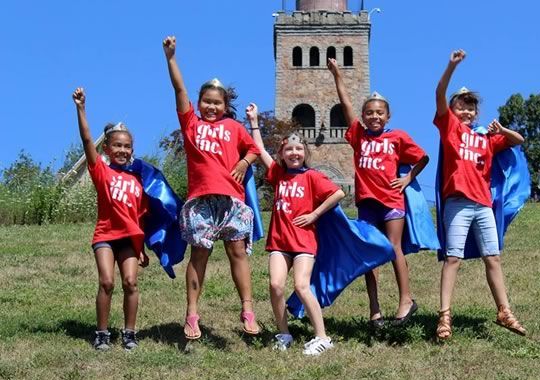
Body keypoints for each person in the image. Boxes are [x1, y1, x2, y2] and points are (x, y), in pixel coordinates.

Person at [162, 36, 261, 339]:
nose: (211, 107)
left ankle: (247, 309)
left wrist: (244, 163)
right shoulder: (191, 124)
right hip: (201, 201)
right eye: (206, 101)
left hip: (231, 200)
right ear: (199, 102)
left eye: (217, 103)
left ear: (226, 105)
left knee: (237, 253)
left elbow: (254, 150)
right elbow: (180, 89)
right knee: (200, 255)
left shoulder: (234, 128)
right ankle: (192, 314)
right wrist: (171, 58)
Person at [327, 58, 429, 328]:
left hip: (392, 201)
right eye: (369, 112)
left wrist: (408, 178)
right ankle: (375, 309)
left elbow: (423, 157)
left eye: (379, 113)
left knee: (394, 248)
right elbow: (346, 103)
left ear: (388, 116)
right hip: (367, 203)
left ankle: (406, 300)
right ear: (363, 116)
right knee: (370, 253)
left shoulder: (397, 137)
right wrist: (337, 74)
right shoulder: (358, 135)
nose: (374, 116)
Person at [434, 49, 526, 340]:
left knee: (493, 258)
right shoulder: (449, 129)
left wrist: (502, 129)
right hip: (458, 203)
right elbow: (439, 93)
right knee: (453, 259)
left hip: (483, 204)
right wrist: (451, 67)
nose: (467, 111)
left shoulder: (485, 138)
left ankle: (504, 311)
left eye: (471, 108)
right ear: (452, 110)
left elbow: (518, 140)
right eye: (461, 106)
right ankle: (444, 317)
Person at [247, 103, 344, 355]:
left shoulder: (311, 176)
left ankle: (322, 337)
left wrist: (314, 214)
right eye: (289, 149)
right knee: (276, 286)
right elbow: (258, 151)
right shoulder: (278, 174)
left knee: (301, 286)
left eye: (298, 149)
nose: (294, 153)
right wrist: (254, 121)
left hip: (303, 243)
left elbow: (338, 193)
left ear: (305, 153)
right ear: (282, 153)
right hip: (280, 242)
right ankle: (284, 334)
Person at [72, 87, 149, 351]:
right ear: (106, 147)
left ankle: (129, 333)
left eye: (127, 146)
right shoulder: (101, 172)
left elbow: (141, 216)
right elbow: (85, 140)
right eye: (117, 145)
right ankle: (102, 333)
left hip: (129, 239)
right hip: (105, 235)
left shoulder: (137, 179)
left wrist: (142, 247)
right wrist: (81, 109)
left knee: (131, 282)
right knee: (107, 281)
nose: (122, 150)